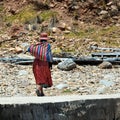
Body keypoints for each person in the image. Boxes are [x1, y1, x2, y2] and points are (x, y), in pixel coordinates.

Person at [27, 32, 53, 96]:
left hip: (36, 63)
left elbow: (29, 49)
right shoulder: (47, 46)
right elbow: (49, 56)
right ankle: (38, 89)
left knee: (38, 76)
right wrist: (50, 63)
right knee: (43, 76)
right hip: (44, 63)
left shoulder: (36, 45)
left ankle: (41, 92)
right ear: (46, 39)